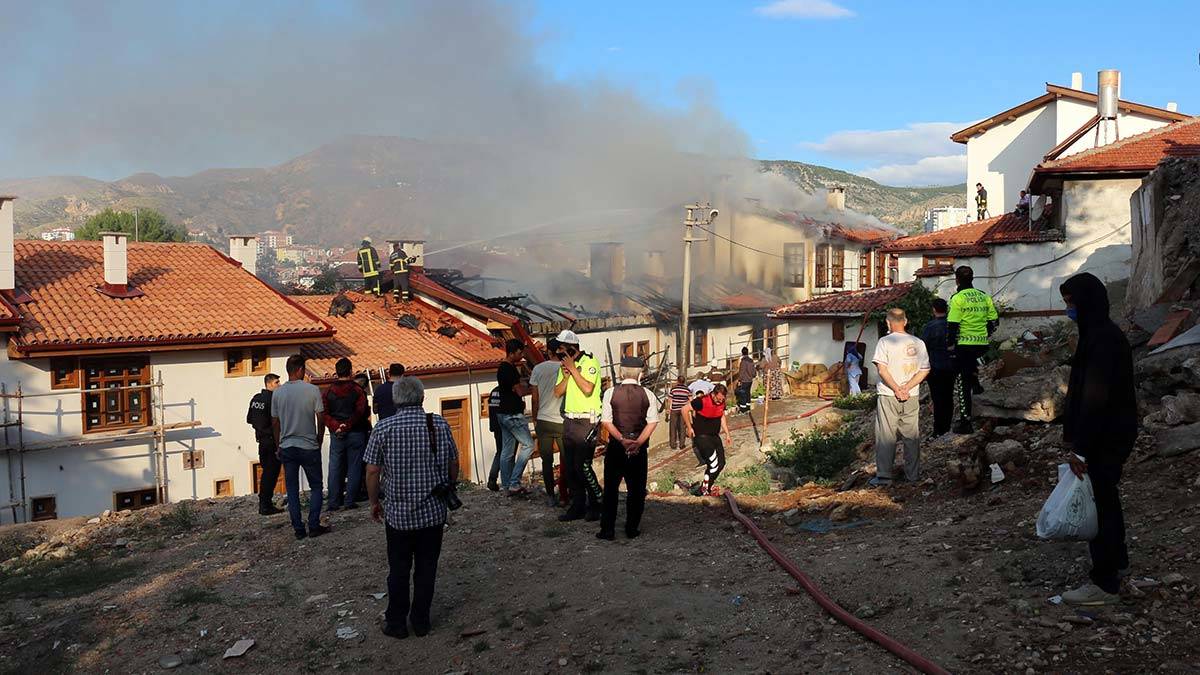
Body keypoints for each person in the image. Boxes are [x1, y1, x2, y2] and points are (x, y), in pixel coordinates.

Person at [1058, 273, 1137, 606]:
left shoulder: (1102, 340)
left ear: (1085, 302)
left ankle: (1104, 583)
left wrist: (1081, 449)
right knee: (1107, 499)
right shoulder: (1100, 334)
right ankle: (1116, 564)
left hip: (1104, 437)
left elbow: (1094, 399)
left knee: (1100, 504)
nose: (1069, 310)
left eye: (1071, 303)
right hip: (1111, 433)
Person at [365, 376, 458, 639]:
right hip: (433, 514)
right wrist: (450, 486)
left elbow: (372, 471)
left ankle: (396, 623)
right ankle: (421, 622)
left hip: (399, 516)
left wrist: (374, 502)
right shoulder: (438, 423)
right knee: (427, 569)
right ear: (422, 397)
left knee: (398, 570)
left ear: (395, 399)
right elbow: (453, 461)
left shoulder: (383, 428)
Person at [597, 356, 659, 540]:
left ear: (621, 372)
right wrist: (638, 442)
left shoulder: (610, 392)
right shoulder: (648, 394)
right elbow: (653, 422)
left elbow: (606, 421)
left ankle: (607, 530)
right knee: (637, 490)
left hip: (617, 447)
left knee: (610, 489)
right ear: (641, 373)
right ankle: (632, 528)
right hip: (638, 449)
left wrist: (622, 440)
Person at [869, 309, 931, 487]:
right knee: (911, 436)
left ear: (888, 323)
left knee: (886, 435)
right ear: (906, 321)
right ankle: (912, 475)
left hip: (889, 395)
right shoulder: (918, 343)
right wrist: (907, 388)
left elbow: (882, 369)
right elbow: (925, 369)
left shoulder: (884, 342)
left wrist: (896, 389)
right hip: (911, 395)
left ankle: (884, 477)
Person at [271, 354, 329, 539]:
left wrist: (278, 444)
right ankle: (314, 525)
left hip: (287, 446)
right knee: (317, 486)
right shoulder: (312, 390)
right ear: (300, 370)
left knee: (292, 489)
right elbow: (321, 417)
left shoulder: (278, 393)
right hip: (309, 445)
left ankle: (298, 528)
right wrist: (319, 439)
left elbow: (275, 422)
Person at [553, 330, 604, 522]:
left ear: (572, 348)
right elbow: (557, 392)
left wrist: (574, 369)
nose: (559, 351)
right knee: (571, 467)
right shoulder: (564, 366)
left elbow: (588, 388)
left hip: (586, 421)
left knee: (583, 466)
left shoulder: (590, 362)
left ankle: (597, 502)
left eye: (562, 347)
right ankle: (578, 506)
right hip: (570, 420)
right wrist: (566, 374)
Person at [947, 265, 999, 434]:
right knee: (971, 369)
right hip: (981, 344)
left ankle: (965, 421)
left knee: (962, 383)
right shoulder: (984, 297)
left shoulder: (957, 298)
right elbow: (994, 321)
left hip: (964, 345)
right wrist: (985, 334)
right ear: (972, 279)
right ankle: (977, 386)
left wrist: (950, 345)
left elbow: (953, 324)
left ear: (957, 280)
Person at [324, 357, 369, 511]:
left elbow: (324, 413)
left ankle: (333, 502)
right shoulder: (358, 391)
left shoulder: (329, 391)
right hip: (356, 433)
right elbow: (360, 411)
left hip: (337, 434)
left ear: (336, 372)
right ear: (350, 371)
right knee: (354, 467)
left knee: (335, 467)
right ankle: (350, 500)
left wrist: (336, 426)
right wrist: (347, 425)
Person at [496, 339, 534, 497]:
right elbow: (519, 392)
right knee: (529, 445)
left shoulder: (502, 368)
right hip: (513, 415)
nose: (521, 355)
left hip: (502, 413)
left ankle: (506, 485)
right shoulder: (509, 369)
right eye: (520, 352)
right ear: (512, 353)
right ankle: (514, 482)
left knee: (507, 451)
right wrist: (533, 389)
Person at [529, 338, 564, 507]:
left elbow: (534, 398)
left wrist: (535, 418)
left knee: (546, 460)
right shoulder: (566, 369)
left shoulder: (538, 369)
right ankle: (566, 494)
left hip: (543, 420)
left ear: (548, 352)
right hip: (562, 421)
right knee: (566, 459)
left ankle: (551, 496)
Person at [684, 383, 733, 496]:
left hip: (715, 436)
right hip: (702, 437)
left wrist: (727, 434)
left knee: (721, 463)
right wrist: (689, 427)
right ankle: (703, 491)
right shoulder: (701, 401)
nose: (719, 402)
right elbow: (685, 409)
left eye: (722, 400)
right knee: (713, 464)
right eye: (718, 399)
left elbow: (722, 416)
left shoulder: (722, 402)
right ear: (713, 394)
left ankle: (706, 487)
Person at [246, 373, 283, 515]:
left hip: (261, 441)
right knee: (271, 473)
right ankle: (265, 505)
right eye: (277, 383)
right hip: (272, 441)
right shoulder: (274, 400)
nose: (279, 385)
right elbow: (276, 422)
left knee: (267, 472)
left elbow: (249, 419)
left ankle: (265, 503)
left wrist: (259, 427)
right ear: (269, 384)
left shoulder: (256, 399)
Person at [921, 298, 955, 438]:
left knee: (937, 399)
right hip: (951, 367)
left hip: (935, 368)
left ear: (934, 309)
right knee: (948, 397)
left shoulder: (930, 327)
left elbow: (923, 347)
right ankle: (947, 427)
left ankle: (938, 430)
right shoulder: (952, 325)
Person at [485, 385, 503, 491]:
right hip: (505, 427)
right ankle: (509, 481)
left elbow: (492, 410)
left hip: (496, 426)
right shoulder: (506, 391)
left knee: (500, 452)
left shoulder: (494, 392)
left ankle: (492, 479)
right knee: (507, 454)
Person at [667, 376, 691, 451]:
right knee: (682, 427)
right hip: (683, 410)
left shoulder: (674, 389)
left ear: (678, 381)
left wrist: (668, 409)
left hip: (674, 409)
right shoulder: (687, 390)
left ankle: (673, 444)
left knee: (673, 427)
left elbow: (670, 400)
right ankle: (682, 444)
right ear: (684, 381)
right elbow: (690, 400)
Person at [734, 347, 755, 414]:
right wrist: (753, 376)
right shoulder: (751, 361)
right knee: (748, 393)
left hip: (744, 380)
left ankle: (743, 409)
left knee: (743, 395)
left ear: (742, 353)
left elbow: (742, 372)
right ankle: (748, 407)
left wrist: (739, 380)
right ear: (748, 352)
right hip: (750, 380)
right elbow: (754, 371)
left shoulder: (743, 361)